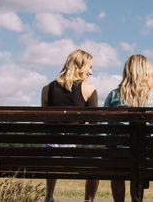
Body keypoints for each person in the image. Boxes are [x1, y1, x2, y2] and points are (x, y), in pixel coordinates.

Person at [104, 54, 153, 202]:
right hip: (145, 155)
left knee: (118, 161)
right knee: (137, 163)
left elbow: (105, 127)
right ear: (148, 72)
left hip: (117, 155)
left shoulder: (114, 95)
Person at [42, 49, 99, 202]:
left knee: (52, 143)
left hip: (51, 153)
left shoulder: (47, 89)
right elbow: (95, 126)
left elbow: (45, 124)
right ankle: (88, 200)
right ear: (80, 66)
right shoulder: (89, 89)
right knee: (97, 164)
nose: (91, 72)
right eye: (90, 67)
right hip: (77, 152)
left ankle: (49, 196)